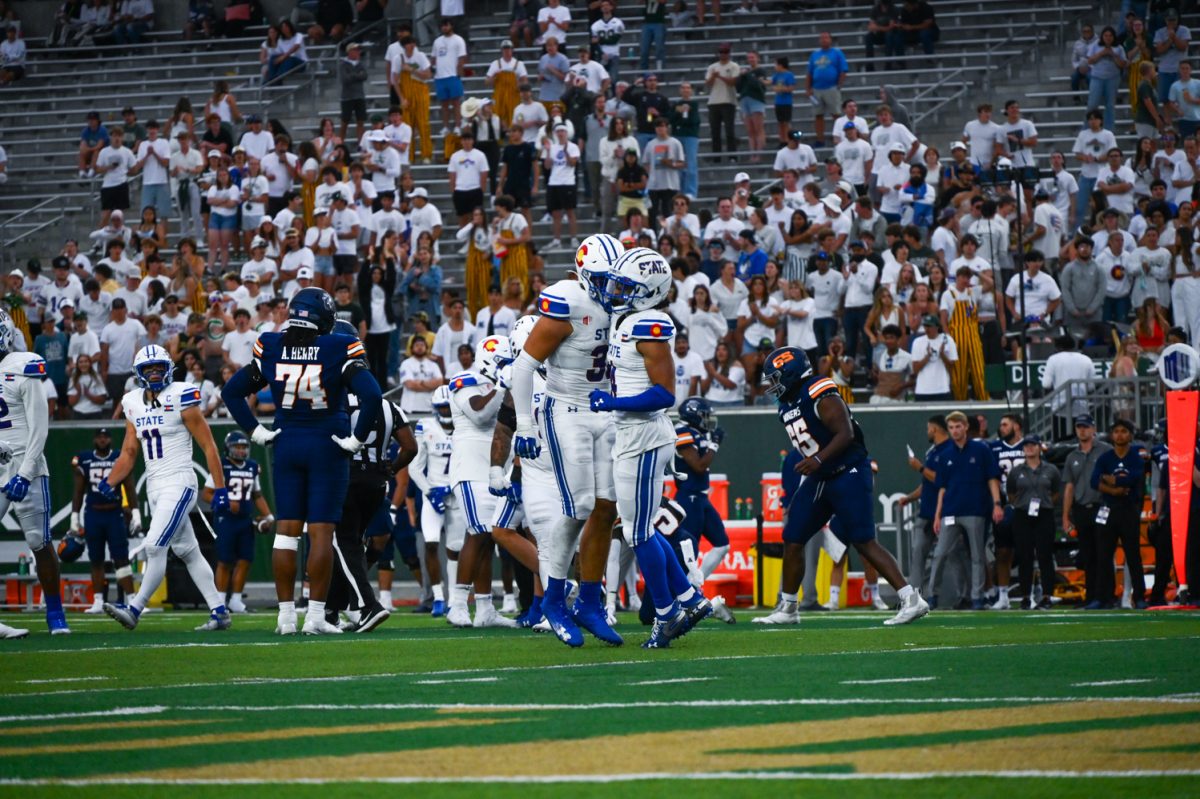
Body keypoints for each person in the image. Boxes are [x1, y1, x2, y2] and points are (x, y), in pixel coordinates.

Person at [220, 287, 382, 635]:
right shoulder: (339, 346)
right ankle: (315, 617)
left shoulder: (272, 344)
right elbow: (371, 396)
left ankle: (285, 618)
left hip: (287, 443)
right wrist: (356, 440)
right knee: (321, 534)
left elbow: (232, 392)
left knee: (286, 535)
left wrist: (255, 431)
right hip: (327, 444)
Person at [588, 247, 714, 647]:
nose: (616, 291)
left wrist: (613, 402)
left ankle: (667, 612)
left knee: (638, 533)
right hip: (633, 435)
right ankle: (689, 598)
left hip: (643, 434)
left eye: (626, 286)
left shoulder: (651, 323)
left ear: (648, 291)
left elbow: (663, 394)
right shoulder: (629, 320)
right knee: (636, 529)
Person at [752, 346, 929, 626]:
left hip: (849, 471)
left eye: (775, 377)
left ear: (790, 372)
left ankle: (911, 599)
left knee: (863, 541)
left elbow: (845, 433)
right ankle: (788, 607)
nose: (772, 385)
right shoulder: (787, 403)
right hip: (822, 476)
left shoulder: (817, 389)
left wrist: (818, 458)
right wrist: (818, 463)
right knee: (793, 536)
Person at [509, 234, 625, 646]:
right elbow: (523, 368)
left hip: (606, 412)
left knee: (607, 509)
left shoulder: (626, 299)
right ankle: (554, 599)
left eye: (618, 281)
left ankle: (590, 601)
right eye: (606, 280)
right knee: (579, 508)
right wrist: (524, 425)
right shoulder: (567, 302)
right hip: (568, 412)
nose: (615, 289)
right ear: (584, 274)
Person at [97, 344, 230, 632]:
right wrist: (109, 482)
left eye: (160, 367)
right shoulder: (132, 402)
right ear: (139, 373)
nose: (155, 373)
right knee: (189, 551)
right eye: (149, 369)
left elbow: (208, 445)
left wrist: (220, 488)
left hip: (180, 481)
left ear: (169, 369)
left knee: (156, 547)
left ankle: (134, 609)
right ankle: (219, 611)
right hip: (155, 486)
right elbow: (129, 452)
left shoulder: (181, 395)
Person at [324, 324, 416, 633]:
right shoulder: (389, 406)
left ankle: (367, 605)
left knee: (345, 542)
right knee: (352, 545)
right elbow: (410, 447)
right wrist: (390, 466)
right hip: (376, 482)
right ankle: (331, 609)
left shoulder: (334, 399)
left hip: (345, 479)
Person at [0, 313, 69, 638]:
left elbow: (40, 426)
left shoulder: (22, 365)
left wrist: (25, 473)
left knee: (38, 542)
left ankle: (55, 613)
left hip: (25, 464)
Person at [671, 397, 736, 623]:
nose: (708, 421)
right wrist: (714, 445)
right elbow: (699, 465)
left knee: (722, 544)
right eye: (704, 415)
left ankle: (692, 589)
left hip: (700, 497)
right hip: (688, 498)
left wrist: (710, 444)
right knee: (691, 551)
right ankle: (687, 597)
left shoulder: (696, 434)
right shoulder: (682, 432)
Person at [932, 410, 1004, 609]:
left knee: (977, 555)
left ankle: (977, 597)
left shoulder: (981, 450)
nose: (955, 431)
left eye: (958, 427)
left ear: (965, 427)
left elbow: (992, 478)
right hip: (950, 511)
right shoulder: (945, 454)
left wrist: (997, 504)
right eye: (951, 428)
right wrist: (937, 514)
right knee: (940, 554)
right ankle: (932, 595)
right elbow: (942, 488)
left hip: (975, 509)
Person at [199, 430, 271, 615]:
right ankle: (220, 600)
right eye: (237, 447)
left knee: (245, 560)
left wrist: (269, 516)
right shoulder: (221, 466)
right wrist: (227, 502)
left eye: (243, 447)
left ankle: (236, 601)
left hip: (245, 520)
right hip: (225, 519)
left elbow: (257, 495)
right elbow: (206, 494)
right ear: (228, 448)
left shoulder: (252, 466)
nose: (240, 450)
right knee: (225, 561)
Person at [68, 428, 138, 614]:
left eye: (105, 436)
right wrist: (74, 516)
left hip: (114, 513)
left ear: (110, 439)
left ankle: (132, 600)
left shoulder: (118, 457)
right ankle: (98, 600)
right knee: (96, 559)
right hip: (93, 513)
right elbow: (78, 490)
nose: (102, 439)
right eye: (99, 436)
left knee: (121, 558)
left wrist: (136, 512)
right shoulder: (84, 459)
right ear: (94, 439)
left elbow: (129, 487)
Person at [409, 385, 460, 617]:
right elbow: (415, 467)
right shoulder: (425, 426)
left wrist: (454, 486)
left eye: (449, 407)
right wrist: (430, 491)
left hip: (457, 493)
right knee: (430, 543)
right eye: (443, 407)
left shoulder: (465, 426)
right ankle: (438, 597)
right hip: (433, 494)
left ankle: (453, 598)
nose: (447, 412)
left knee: (455, 549)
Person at [1007, 434, 1061, 610]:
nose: (1029, 448)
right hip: (1023, 514)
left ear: (1039, 447)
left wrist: (1044, 503)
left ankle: (1046, 595)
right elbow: (1011, 494)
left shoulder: (1051, 469)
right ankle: (1025, 596)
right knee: (1025, 557)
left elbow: (1055, 492)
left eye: (1032, 445)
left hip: (1044, 514)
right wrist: (1022, 504)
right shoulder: (1016, 471)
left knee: (1045, 555)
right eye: (1026, 445)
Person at [806, 32, 848, 147]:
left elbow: (843, 70)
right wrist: (808, 88)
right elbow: (809, 73)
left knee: (836, 114)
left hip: (831, 88)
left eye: (826, 38)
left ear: (830, 39)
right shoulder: (814, 54)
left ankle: (840, 138)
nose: (824, 40)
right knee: (818, 115)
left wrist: (839, 85)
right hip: (817, 88)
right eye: (822, 38)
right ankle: (820, 139)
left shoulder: (837, 53)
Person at [705, 44, 740, 159]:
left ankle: (732, 156)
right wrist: (714, 77)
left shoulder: (734, 66)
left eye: (725, 52)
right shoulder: (712, 67)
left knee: (730, 131)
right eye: (721, 52)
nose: (723, 54)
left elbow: (733, 82)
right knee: (715, 132)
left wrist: (720, 77)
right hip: (714, 102)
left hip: (728, 101)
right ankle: (716, 157)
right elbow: (708, 84)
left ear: (729, 53)